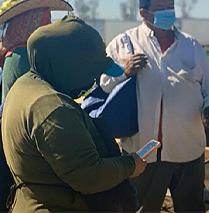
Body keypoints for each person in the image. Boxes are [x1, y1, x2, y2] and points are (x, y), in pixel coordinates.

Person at [1, 15, 147, 212]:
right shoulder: (53, 108)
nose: (93, 82)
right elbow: (88, 176)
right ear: (71, 68)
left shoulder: (24, 86)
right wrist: (131, 165)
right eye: (91, 73)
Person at [100, 0, 209, 212]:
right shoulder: (123, 44)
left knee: (191, 208)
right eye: (160, 9)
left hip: (188, 150)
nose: (168, 13)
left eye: (171, 7)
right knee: (141, 208)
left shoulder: (191, 46)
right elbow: (103, 86)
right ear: (143, 12)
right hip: (142, 153)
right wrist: (125, 73)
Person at [0, 0, 73, 212]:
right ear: (31, 21)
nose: (49, 24)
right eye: (45, 18)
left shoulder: (14, 53)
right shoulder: (23, 57)